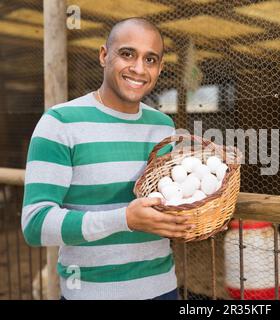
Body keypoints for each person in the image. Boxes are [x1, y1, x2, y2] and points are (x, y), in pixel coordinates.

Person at [21, 17, 194, 300]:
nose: (139, 69)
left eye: (150, 59)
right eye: (127, 54)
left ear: (160, 68)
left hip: (162, 288)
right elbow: (35, 225)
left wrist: (189, 218)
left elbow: (166, 202)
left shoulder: (163, 126)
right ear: (104, 55)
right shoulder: (60, 123)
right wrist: (125, 218)